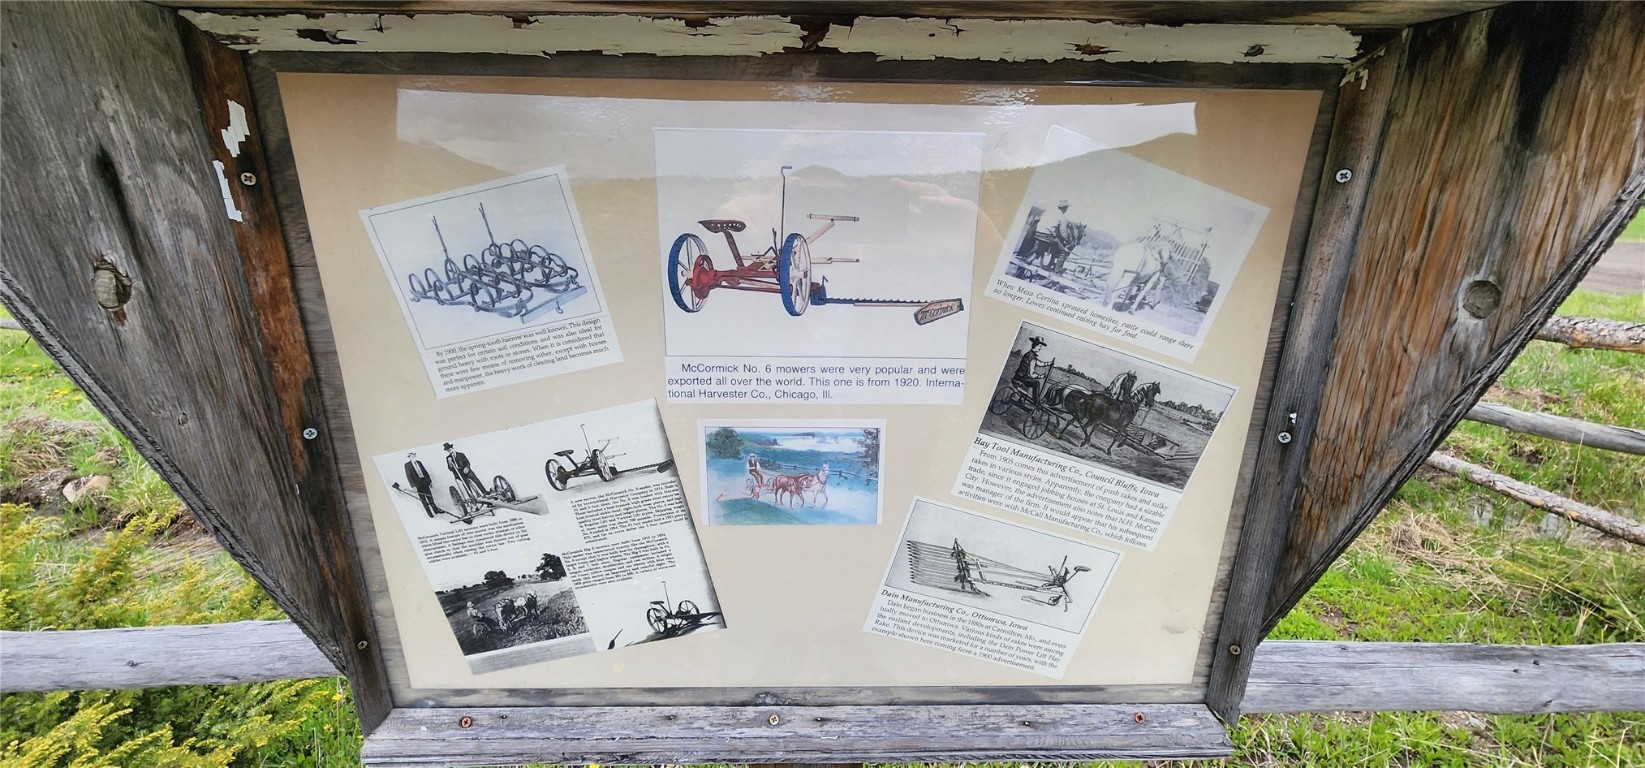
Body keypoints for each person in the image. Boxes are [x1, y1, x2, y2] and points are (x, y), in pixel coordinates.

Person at [1012, 335, 1052, 402]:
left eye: (1041, 346)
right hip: (1022, 378)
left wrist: (1048, 363)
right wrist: (1040, 376)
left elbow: (1038, 363)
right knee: (1036, 383)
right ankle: (1036, 402)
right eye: (1039, 346)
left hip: (1018, 376)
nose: (1040, 348)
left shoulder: (1029, 354)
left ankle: (1021, 399)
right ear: (1035, 345)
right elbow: (1031, 374)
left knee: (1031, 381)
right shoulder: (1032, 357)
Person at [403, 451, 442, 518]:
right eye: (412, 456)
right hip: (418, 484)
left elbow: (425, 471)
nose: (413, 457)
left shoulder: (419, 462)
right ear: (409, 457)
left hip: (425, 482)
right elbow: (408, 476)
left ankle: (436, 510)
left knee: (430, 497)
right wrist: (413, 486)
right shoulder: (407, 465)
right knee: (423, 499)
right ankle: (430, 514)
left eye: (414, 455)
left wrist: (429, 481)